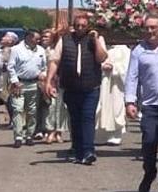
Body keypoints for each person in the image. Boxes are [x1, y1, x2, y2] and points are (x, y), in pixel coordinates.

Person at [45, 14, 111, 165]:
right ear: (74, 26)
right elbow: (55, 61)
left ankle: (89, 151)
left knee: (88, 117)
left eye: (83, 25)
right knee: (75, 119)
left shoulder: (96, 39)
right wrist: (49, 81)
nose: (80, 28)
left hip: (90, 87)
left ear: (88, 26)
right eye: (78, 25)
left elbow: (101, 58)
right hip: (70, 86)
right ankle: (78, 150)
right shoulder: (65, 39)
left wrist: (95, 40)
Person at [125, 14, 158, 192]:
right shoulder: (138, 51)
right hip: (150, 104)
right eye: (147, 28)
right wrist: (130, 101)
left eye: (153, 27)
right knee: (149, 141)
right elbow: (132, 77)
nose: (149, 31)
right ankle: (149, 172)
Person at [7, 30, 47, 146]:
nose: (39, 40)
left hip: (34, 84)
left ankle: (30, 135)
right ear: (29, 37)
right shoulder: (16, 49)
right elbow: (10, 67)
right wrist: (15, 81)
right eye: (36, 38)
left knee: (32, 111)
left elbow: (44, 66)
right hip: (19, 84)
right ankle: (18, 136)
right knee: (18, 109)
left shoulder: (41, 50)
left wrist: (42, 74)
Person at [39, 28, 67, 144]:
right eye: (43, 37)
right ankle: (50, 131)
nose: (44, 39)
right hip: (49, 81)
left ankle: (59, 132)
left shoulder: (61, 50)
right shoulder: (44, 51)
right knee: (51, 107)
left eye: (47, 37)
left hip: (61, 81)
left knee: (61, 108)